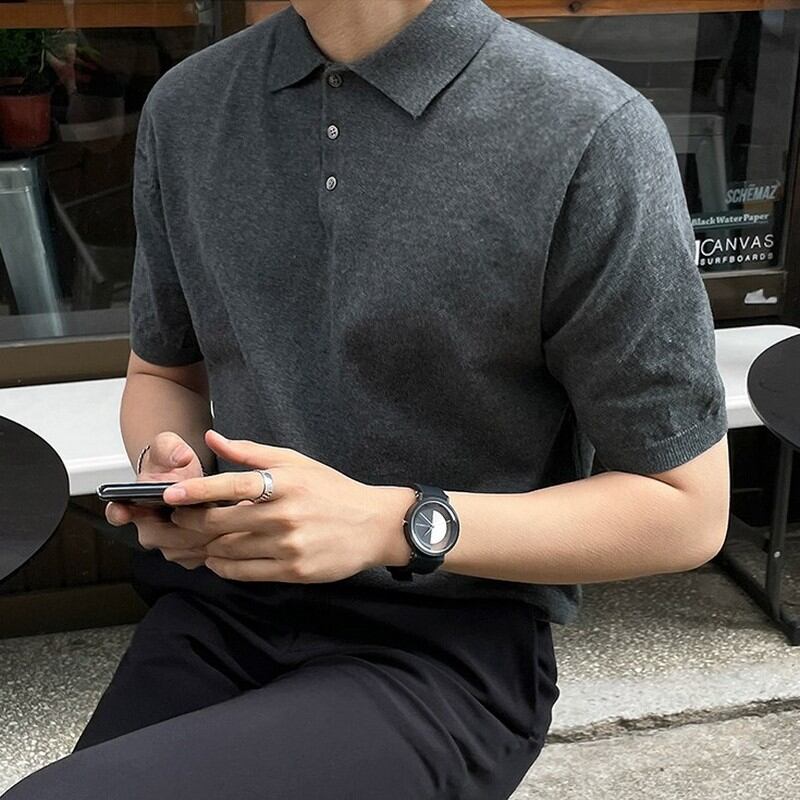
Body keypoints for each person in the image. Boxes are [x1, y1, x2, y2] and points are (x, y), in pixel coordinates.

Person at [3, 0, 731, 797]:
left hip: (447, 648)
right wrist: (168, 471)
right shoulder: (191, 105)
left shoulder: (589, 130)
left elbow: (686, 507)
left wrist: (388, 524)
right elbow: (164, 375)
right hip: (224, 609)